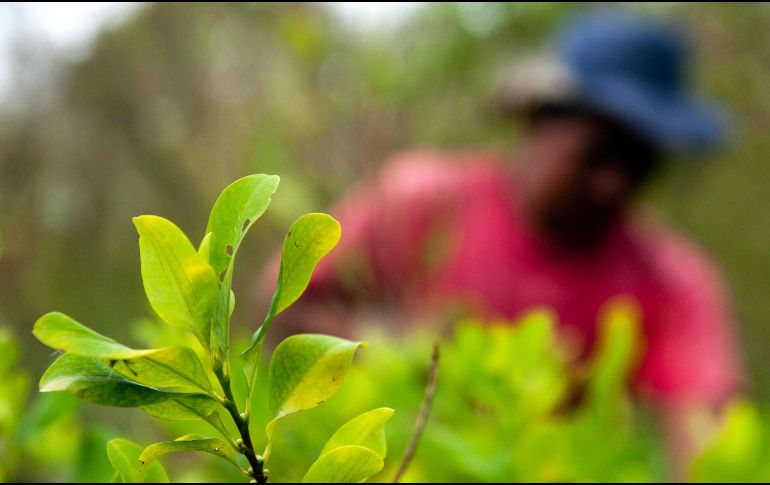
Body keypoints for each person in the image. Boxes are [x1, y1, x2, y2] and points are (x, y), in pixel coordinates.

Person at [264, 11, 744, 478]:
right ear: (541, 121)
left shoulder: (670, 280)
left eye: (639, 164)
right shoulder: (422, 203)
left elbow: (707, 437)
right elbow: (280, 301)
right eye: (598, 154)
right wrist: (403, 361)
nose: (614, 185)